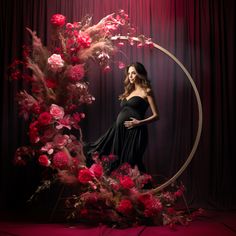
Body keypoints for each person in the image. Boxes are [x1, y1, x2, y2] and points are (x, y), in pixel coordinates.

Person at [85, 62, 159, 172]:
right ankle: (121, 188)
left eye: (133, 73)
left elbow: (156, 115)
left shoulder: (146, 91)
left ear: (140, 74)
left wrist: (139, 122)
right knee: (111, 158)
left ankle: (144, 188)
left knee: (132, 163)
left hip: (136, 131)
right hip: (119, 131)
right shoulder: (129, 91)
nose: (130, 76)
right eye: (129, 73)